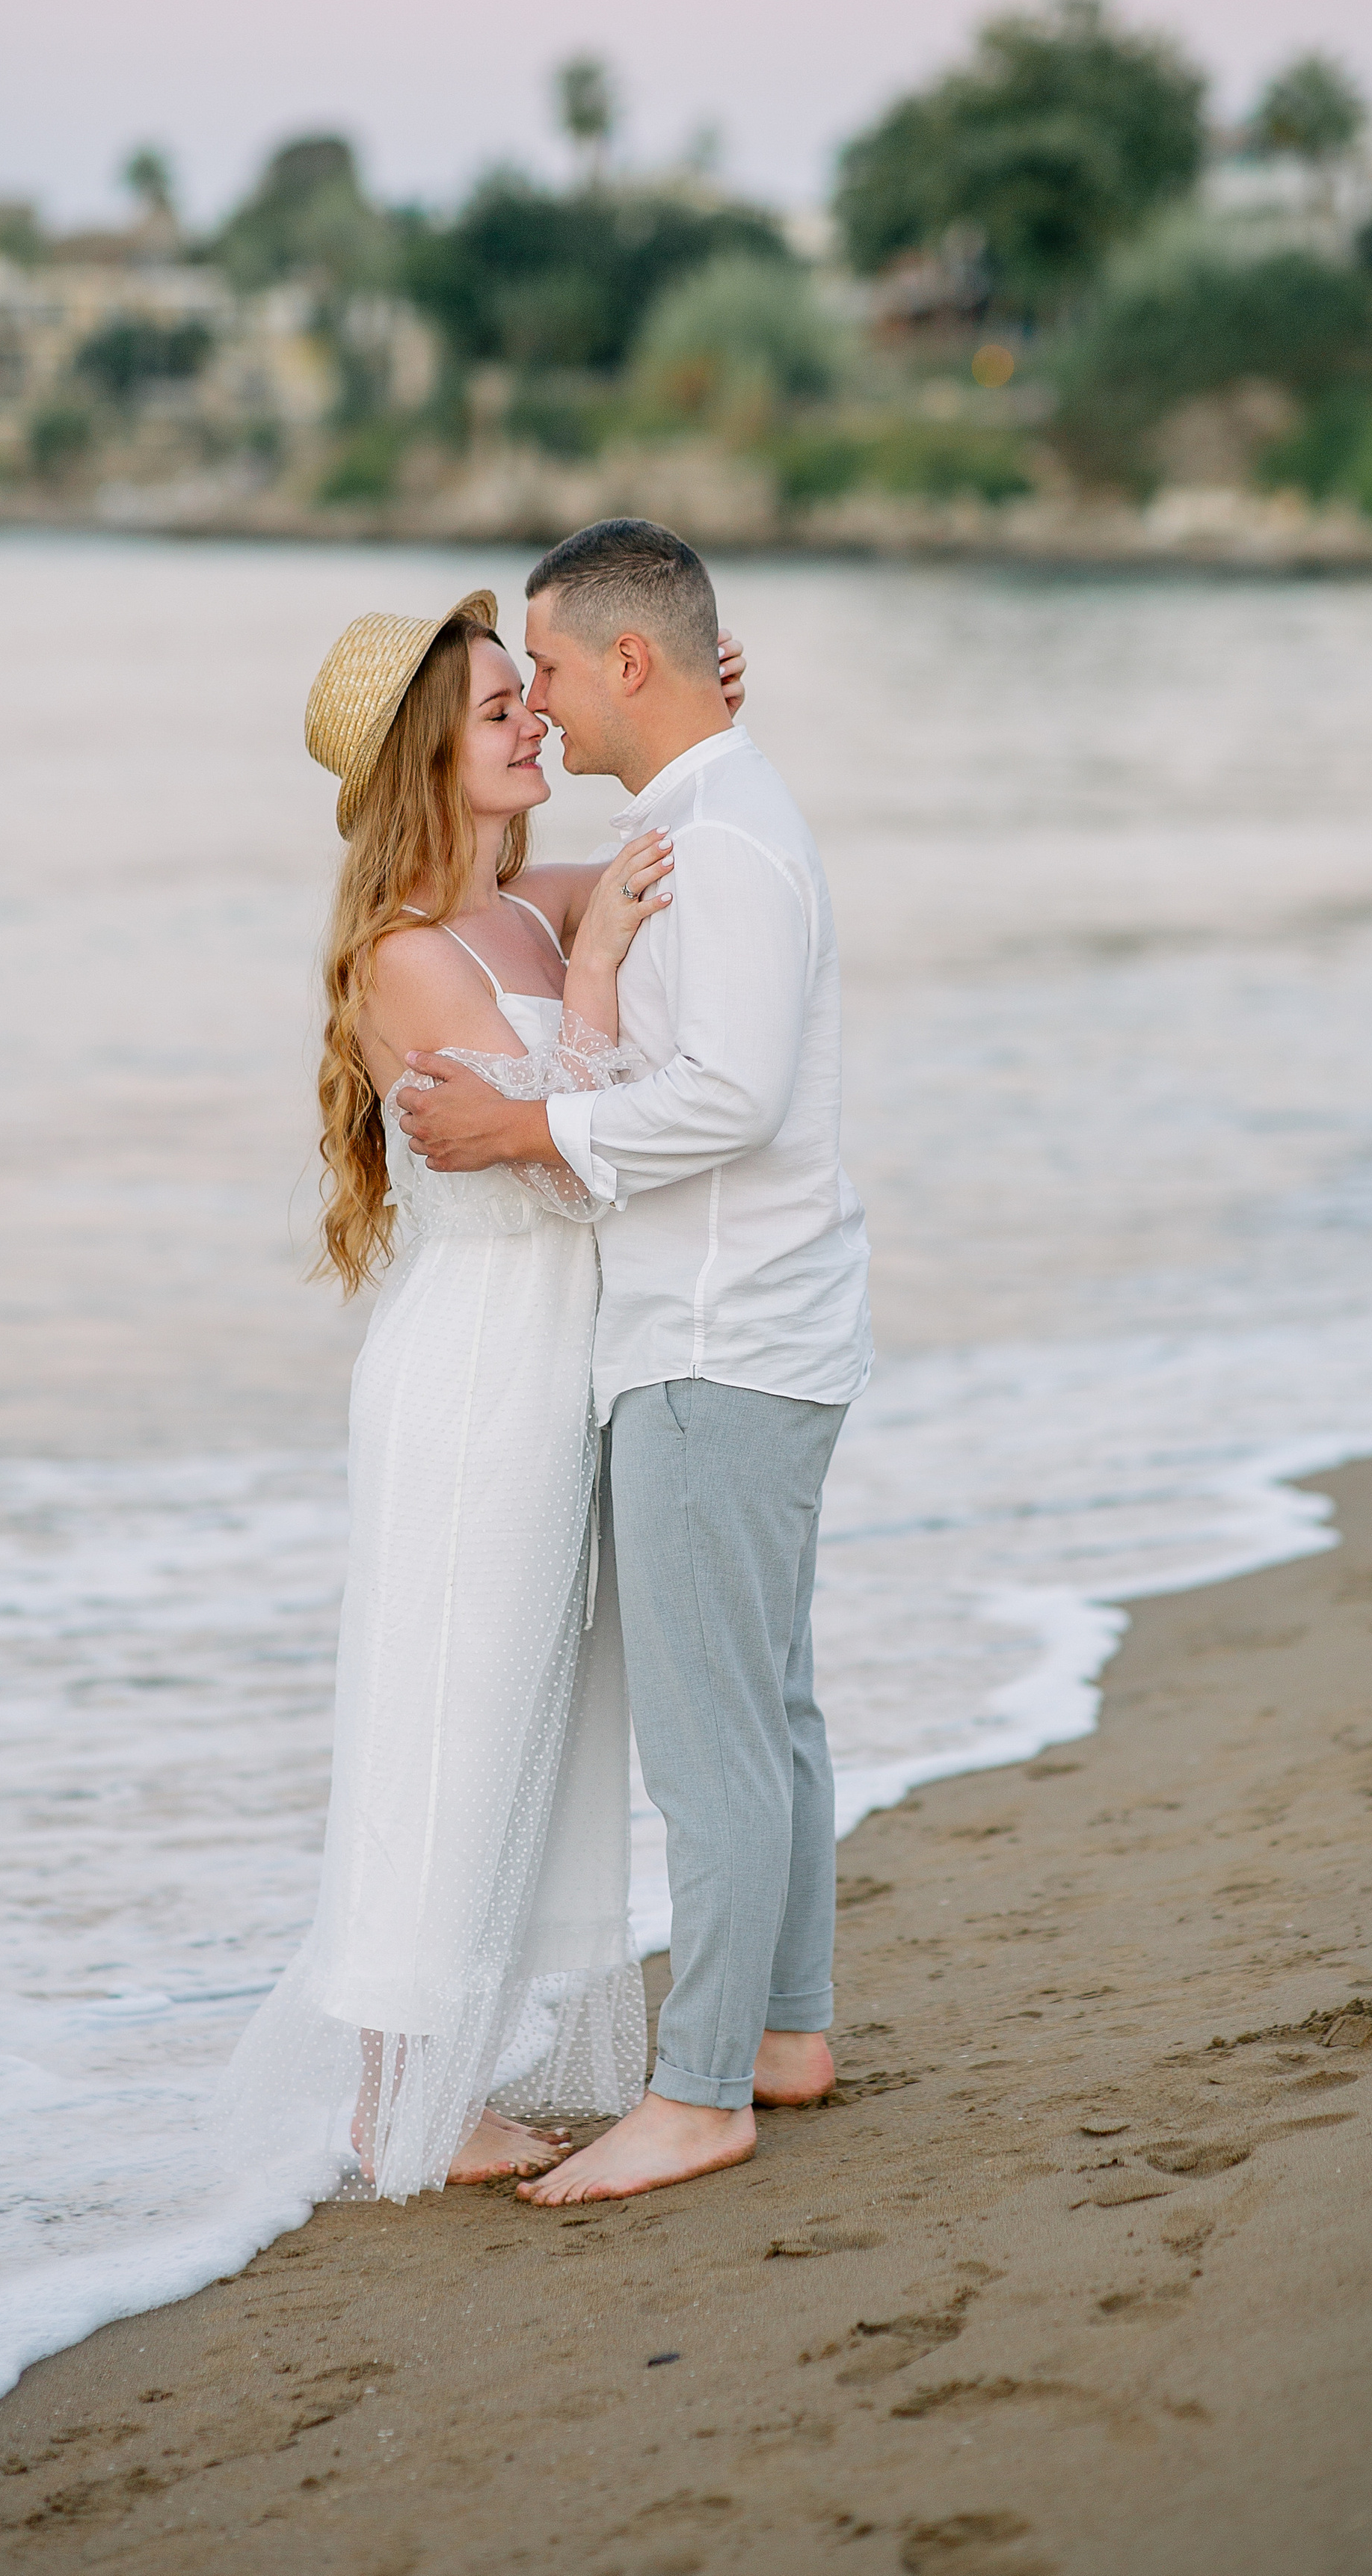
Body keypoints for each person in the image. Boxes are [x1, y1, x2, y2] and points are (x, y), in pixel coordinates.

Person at [222, 587, 745, 2202]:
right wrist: (589, 973)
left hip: (547, 1370)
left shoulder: (518, 907)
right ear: (427, 766)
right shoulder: (405, 961)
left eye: (535, 697)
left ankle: (439, 2067)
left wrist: (707, 735)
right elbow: (566, 1157)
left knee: (522, 1710)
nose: (534, 725)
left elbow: (679, 861)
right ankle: (402, 2104)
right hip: (468, 1380)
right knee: (443, 1719)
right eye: (503, 710)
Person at [396, 519, 873, 2204]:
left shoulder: (719, 835)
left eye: (545, 664)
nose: (533, 699)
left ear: (625, 663)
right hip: (746, 1328)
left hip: (712, 1338)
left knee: (713, 1738)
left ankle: (699, 2092)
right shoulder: (700, 815)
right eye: (501, 683)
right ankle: (785, 2033)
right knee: (769, 1708)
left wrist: (525, 1117)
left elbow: (729, 1099)